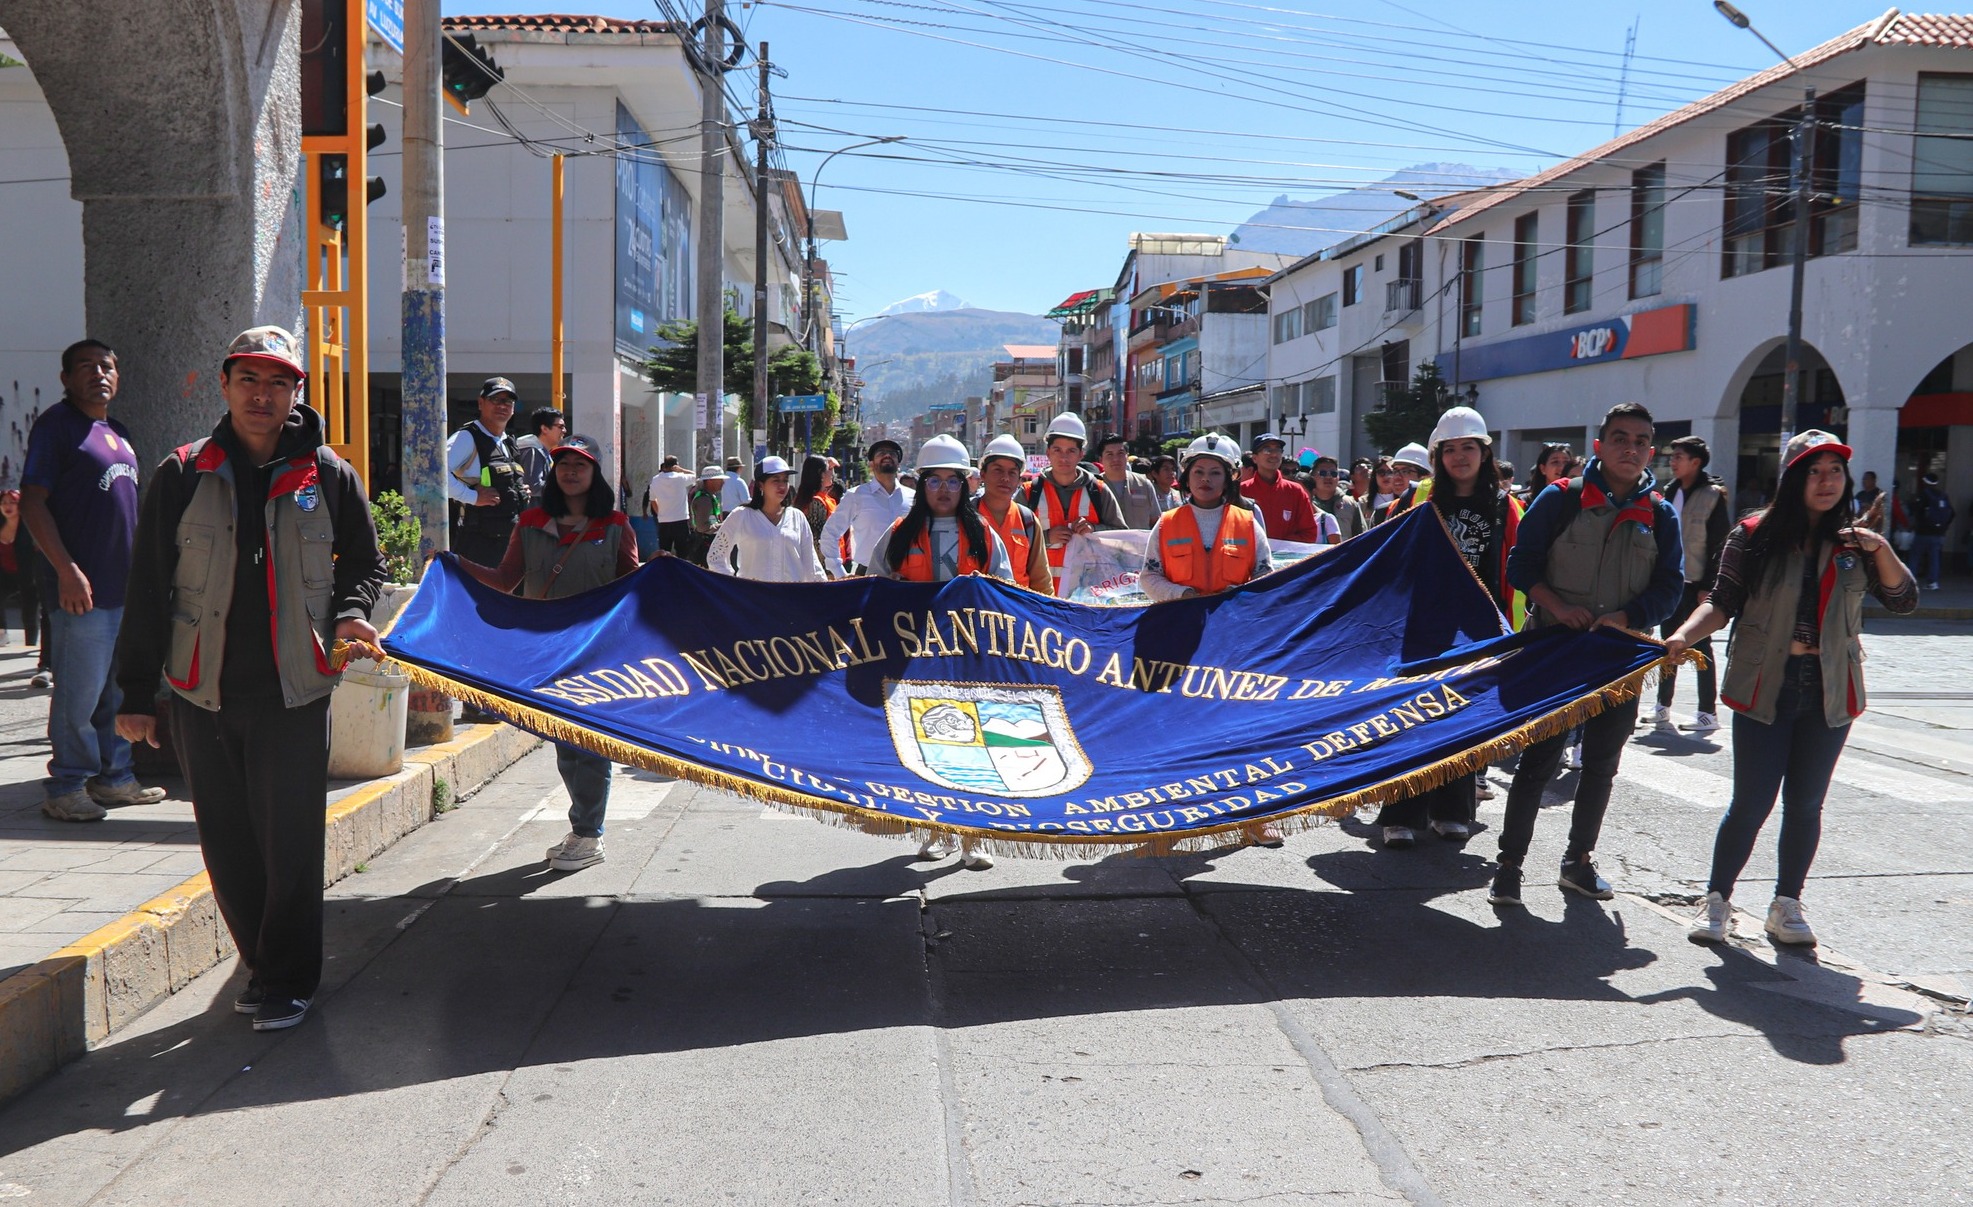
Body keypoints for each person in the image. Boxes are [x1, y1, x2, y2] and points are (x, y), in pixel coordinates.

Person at [114, 325, 386, 1031]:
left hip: (294, 691)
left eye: (278, 383)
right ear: (226, 385)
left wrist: (353, 614)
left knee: (290, 840)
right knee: (227, 841)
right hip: (202, 691)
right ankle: (265, 965)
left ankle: (289, 978)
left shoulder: (328, 474)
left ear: (297, 391)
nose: (262, 395)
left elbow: (362, 563)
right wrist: (137, 694)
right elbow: (148, 585)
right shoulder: (182, 472)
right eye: (249, 380)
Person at [1669, 432, 1917, 946]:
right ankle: (1716, 900)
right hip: (1768, 684)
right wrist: (1682, 636)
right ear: (1792, 478)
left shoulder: (1856, 543)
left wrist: (1882, 546)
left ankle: (1787, 905)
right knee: (1752, 802)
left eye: (1834, 470)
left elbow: (1903, 600)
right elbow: (1721, 602)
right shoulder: (1753, 534)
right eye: (1813, 470)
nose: (1826, 481)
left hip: (1828, 689)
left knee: (1806, 804)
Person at [1488, 402, 1684, 907]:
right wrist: (1555, 604)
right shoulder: (1559, 499)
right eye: (1620, 438)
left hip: (1619, 658)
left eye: (1641, 441)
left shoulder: (1660, 514)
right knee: (1539, 762)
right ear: (1598, 446)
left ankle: (1578, 862)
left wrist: (1629, 616)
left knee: (1600, 766)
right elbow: (1520, 564)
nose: (1631, 448)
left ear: (1651, 451)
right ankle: (1509, 864)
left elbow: (1670, 589)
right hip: (1556, 652)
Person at [448, 435, 639, 880]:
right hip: (545, 654)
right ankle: (583, 826)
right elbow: (505, 580)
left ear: (595, 474)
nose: (571, 471)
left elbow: (632, 586)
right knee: (565, 746)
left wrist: (661, 572)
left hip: (595, 653)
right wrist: (457, 565)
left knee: (590, 745)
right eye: (563, 464)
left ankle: (589, 834)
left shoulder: (615, 525)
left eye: (581, 464)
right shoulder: (530, 522)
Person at [21, 338, 164, 823]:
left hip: (122, 588)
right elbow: (34, 503)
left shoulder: (117, 432)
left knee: (114, 693)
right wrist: (66, 570)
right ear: (65, 378)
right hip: (80, 589)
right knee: (78, 696)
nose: (98, 374)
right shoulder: (56, 428)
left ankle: (114, 778)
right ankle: (66, 786)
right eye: (85, 367)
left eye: (106, 366)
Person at [1374, 407, 1525, 848]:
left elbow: (1517, 574)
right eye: (1451, 449)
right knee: (1411, 718)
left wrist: (1510, 635)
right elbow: (1386, 562)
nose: (1460, 457)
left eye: (1469, 448)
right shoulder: (1415, 499)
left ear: (1485, 452)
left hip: (1479, 632)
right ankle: (1400, 812)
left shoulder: (1506, 506)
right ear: (1438, 456)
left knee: (1461, 720)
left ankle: (1452, 810)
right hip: (1419, 630)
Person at [871, 435, 1013, 873]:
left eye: (954, 480)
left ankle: (974, 837)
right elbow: (872, 588)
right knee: (929, 743)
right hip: (917, 660)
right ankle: (935, 830)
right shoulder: (898, 535)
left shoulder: (984, 533)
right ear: (922, 484)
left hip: (971, 658)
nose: (945, 489)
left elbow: (1007, 591)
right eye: (936, 480)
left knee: (975, 746)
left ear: (966, 486)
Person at [1649, 435, 1730, 733]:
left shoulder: (1712, 495)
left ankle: (1707, 713)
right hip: (1671, 580)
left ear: (1695, 462)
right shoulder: (1669, 491)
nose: (1672, 460)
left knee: (1702, 645)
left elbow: (1720, 544)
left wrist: (1709, 585)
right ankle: (1662, 706)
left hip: (1698, 583)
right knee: (1668, 643)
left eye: (1679, 456)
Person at [1022, 412, 1124, 594]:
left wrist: (1095, 529)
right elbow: (1010, 539)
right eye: (1057, 450)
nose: (1064, 457)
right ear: (1048, 453)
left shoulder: (1099, 491)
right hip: (1040, 594)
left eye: (1071, 451)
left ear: (1081, 454)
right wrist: (1045, 538)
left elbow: (1122, 538)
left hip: (1087, 595)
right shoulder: (1029, 492)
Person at [446, 377, 530, 567]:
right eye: (495, 400)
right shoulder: (466, 438)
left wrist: (519, 491)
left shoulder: (508, 442)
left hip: (509, 541)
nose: (502, 406)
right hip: (478, 542)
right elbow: (435, 477)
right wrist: (472, 496)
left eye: (508, 401)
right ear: (481, 403)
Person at [705, 456, 827, 582]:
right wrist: (735, 587)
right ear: (760, 485)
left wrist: (822, 590)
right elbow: (715, 557)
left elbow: (811, 563)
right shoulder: (742, 516)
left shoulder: (797, 517)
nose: (782, 486)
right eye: (776, 480)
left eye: (785, 480)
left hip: (790, 597)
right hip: (754, 598)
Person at [821, 438, 914, 577]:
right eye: (881, 453)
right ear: (871, 463)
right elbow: (830, 533)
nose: (887, 455)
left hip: (908, 575)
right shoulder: (856, 495)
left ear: (898, 463)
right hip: (867, 574)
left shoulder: (914, 497)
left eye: (892, 453)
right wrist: (839, 572)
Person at [976, 434, 1053, 592]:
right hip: (975, 611)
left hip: (1017, 612)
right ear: (982, 474)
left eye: (1012, 473)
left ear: (1019, 479)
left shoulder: (1028, 521)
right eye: (998, 470)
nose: (1005, 478)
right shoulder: (966, 515)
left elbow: (1041, 582)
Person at [1241, 433, 1330, 545]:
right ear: (1255, 458)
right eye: (1267, 450)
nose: (1274, 455)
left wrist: (1281, 545)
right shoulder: (1242, 491)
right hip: (1250, 559)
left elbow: (1309, 533)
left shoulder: (1296, 491)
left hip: (1287, 560)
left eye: (1278, 450)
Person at [0, 488, 40, 652]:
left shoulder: (30, 524)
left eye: (12, 502)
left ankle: (30, 645)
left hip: (29, 575)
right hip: (5, 574)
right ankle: (2, 635)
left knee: (30, 610)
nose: (7, 506)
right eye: (3, 503)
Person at [1093, 433, 1161, 530]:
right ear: (1101, 459)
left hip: (1139, 544)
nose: (1116, 459)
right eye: (1110, 454)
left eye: (1120, 453)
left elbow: (1156, 521)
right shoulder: (1094, 486)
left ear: (1127, 456)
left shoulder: (1144, 484)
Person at [1910, 473, 1955, 590]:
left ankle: (1911, 582)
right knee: (1934, 557)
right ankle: (1933, 582)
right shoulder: (1943, 495)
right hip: (1938, 533)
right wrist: (1943, 527)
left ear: (1925, 482)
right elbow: (1952, 513)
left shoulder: (1924, 494)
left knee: (1915, 556)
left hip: (1923, 532)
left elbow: (1917, 510)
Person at [513, 406, 566, 505]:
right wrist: (563, 486)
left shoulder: (541, 451)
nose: (564, 431)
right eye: (560, 427)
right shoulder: (534, 451)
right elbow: (533, 486)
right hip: (532, 516)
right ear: (544, 429)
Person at [646, 455, 695, 559]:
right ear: (675, 465)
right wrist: (681, 470)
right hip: (681, 519)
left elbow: (652, 500)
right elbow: (695, 476)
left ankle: (666, 573)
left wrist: (660, 513)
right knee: (683, 552)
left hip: (664, 521)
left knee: (664, 552)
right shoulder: (681, 477)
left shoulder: (655, 480)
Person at [1308, 456, 1366, 543]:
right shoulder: (1306, 503)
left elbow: (1362, 536)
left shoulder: (1350, 503)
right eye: (1323, 473)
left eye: (1333, 473)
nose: (1329, 477)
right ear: (1312, 476)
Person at [793, 454, 837, 553]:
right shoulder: (816, 502)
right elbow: (817, 540)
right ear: (821, 474)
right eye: (829, 470)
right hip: (823, 562)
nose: (832, 474)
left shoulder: (822, 499)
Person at [685, 465, 725, 567]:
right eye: (720, 480)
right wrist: (725, 525)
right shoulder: (704, 499)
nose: (723, 483)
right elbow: (702, 527)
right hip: (704, 546)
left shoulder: (711, 497)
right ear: (710, 481)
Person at [1366, 457, 1409, 525]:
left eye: (1390, 472)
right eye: (1381, 472)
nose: (1386, 476)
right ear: (1375, 475)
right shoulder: (1363, 502)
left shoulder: (1404, 499)